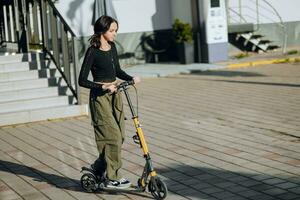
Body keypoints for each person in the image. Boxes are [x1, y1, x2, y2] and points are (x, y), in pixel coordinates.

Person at [78, 15, 140, 189]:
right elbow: (82, 80)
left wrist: (131, 78)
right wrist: (103, 87)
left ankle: (98, 168)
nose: (115, 34)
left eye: (116, 31)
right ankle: (113, 177)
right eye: (112, 31)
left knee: (120, 135)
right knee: (111, 136)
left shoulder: (112, 47)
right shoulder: (93, 51)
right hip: (100, 98)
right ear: (102, 31)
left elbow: (117, 70)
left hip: (115, 94)